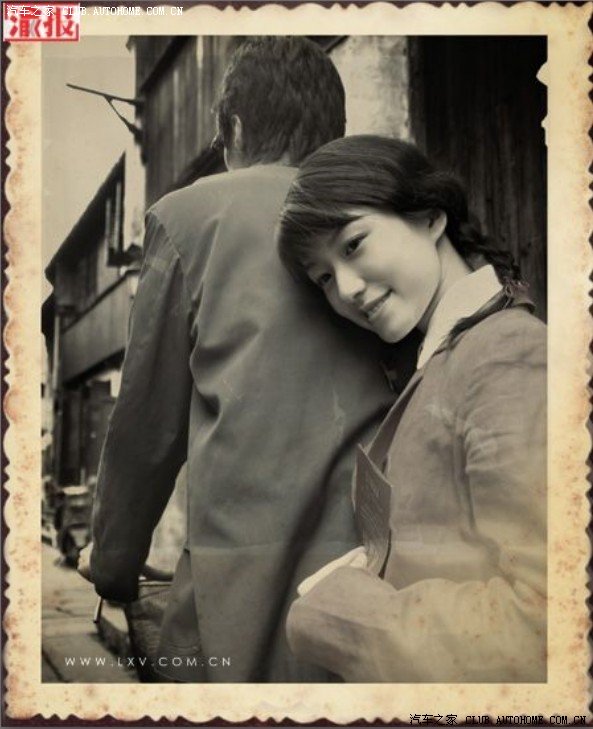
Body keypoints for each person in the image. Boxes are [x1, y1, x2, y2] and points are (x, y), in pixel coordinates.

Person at [82, 40, 397, 683]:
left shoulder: (190, 216)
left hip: (237, 588)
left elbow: (147, 428)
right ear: (334, 133)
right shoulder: (381, 215)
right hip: (376, 580)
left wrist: (113, 560)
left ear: (235, 128)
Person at [276, 135, 547, 682]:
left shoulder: (508, 355)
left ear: (430, 217)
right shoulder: (450, 356)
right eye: (323, 277)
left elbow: (545, 626)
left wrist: (341, 614)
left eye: (353, 245)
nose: (346, 289)